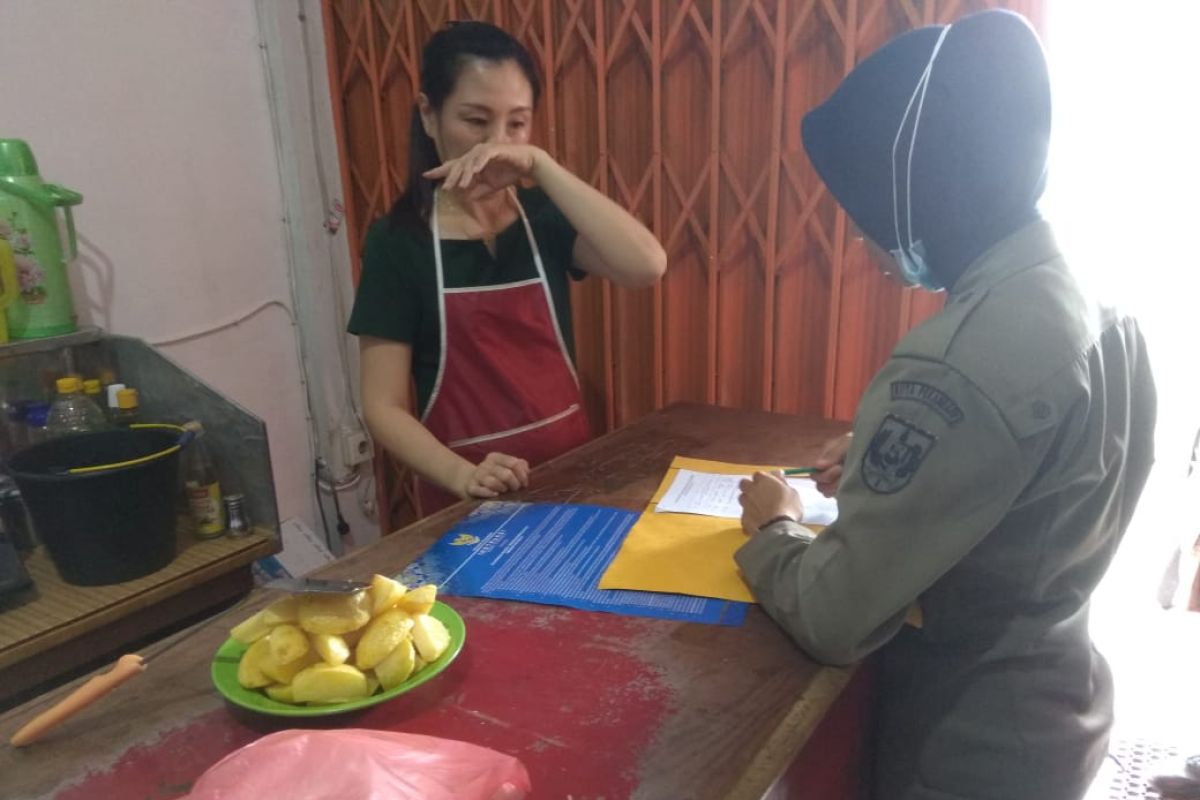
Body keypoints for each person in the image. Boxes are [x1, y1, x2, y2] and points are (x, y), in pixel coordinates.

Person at [734, 10, 1156, 800]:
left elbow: (835, 617)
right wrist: (895, 457)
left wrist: (774, 527)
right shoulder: (1096, 297)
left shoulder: (957, 362)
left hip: (965, 744)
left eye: (867, 214)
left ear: (925, 189)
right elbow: (1040, 479)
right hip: (1058, 702)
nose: (864, 242)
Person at [349, 22, 665, 513]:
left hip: (570, 479)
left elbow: (646, 266)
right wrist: (462, 474)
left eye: (517, 123)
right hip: (467, 497)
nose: (497, 144)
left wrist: (542, 166)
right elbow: (382, 406)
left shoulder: (542, 217)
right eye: (476, 121)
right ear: (429, 116)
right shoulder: (399, 242)